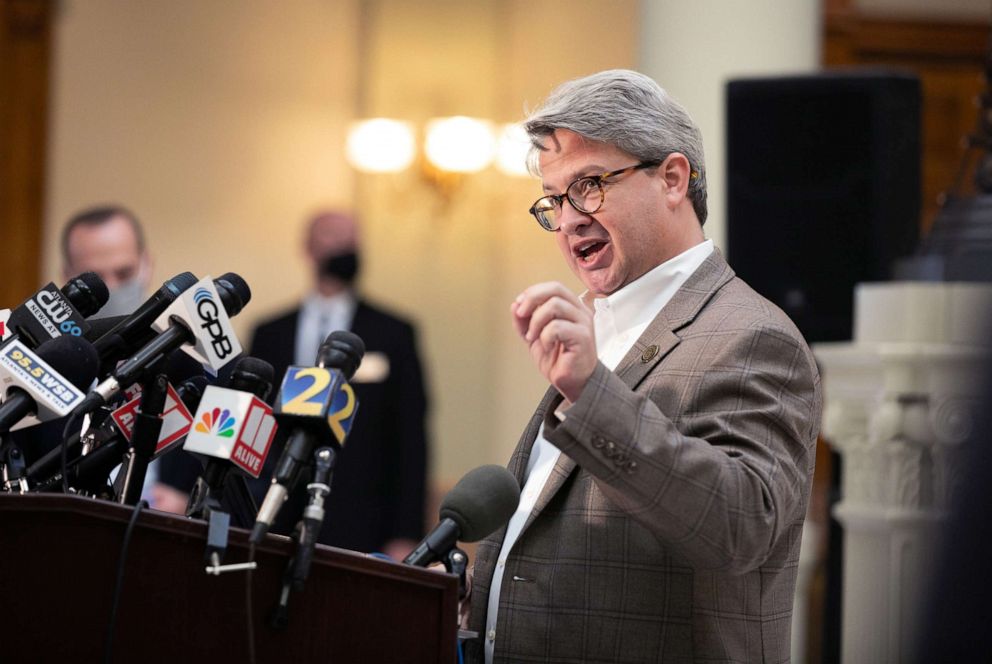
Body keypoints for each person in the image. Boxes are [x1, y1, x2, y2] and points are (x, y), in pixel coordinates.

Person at [465, 70, 822, 664]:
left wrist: (590, 391)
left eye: (589, 185)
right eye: (555, 200)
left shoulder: (753, 335)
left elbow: (742, 525)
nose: (570, 218)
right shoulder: (600, 329)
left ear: (673, 179)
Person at [248, 209, 429, 560]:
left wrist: (407, 532)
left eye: (353, 238)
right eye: (334, 235)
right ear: (308, 247)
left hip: (362, 518)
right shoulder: (270, 333)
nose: (347, 245)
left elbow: (410, 437)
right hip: (276, 511)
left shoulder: (393, 332)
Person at [61, 205, 198, 513]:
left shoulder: (196, 365)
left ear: (147, 265)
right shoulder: (50, 365)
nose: (113, 287)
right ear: (67, 276)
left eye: (123, 272)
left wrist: (188, 503)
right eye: (97, 277)